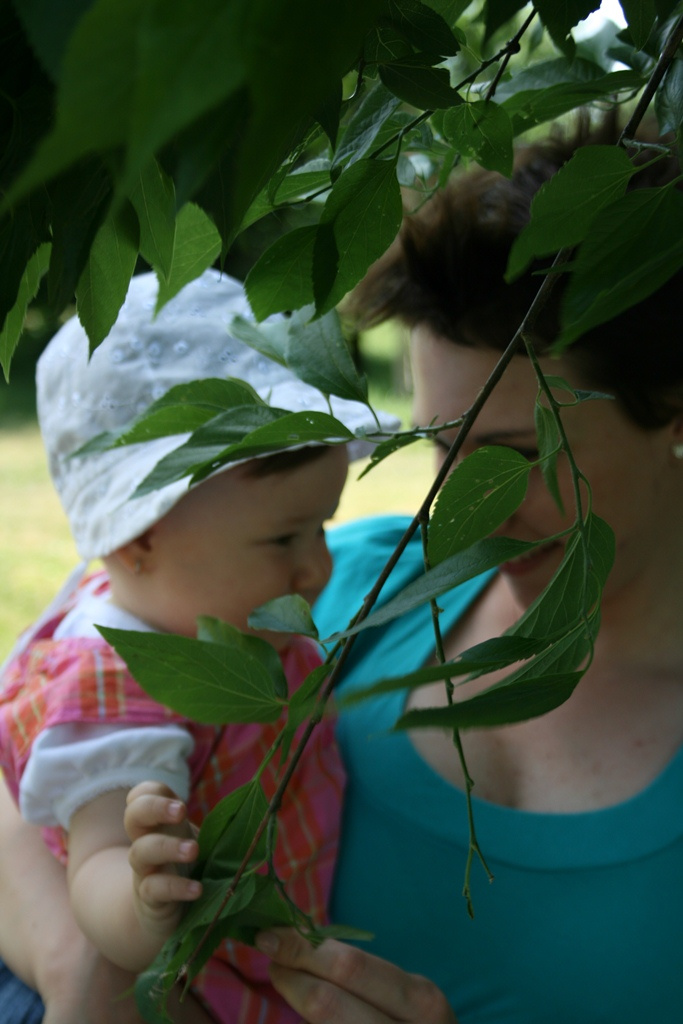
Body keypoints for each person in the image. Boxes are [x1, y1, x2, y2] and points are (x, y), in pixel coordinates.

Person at [3, 128, 683, 1024]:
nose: (457, 515)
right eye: (441, 450)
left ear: (670, 408)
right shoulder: (328, 586)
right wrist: (77, 966)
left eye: (513, 456)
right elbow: (42, 732)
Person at [0, 268, 392, 1023]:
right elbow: (98, 873)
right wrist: (144, 898)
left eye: (320, 525)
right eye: (284, 537)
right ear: (138, 537)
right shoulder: (123, 693)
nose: (318, 566)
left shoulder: (198, 609)